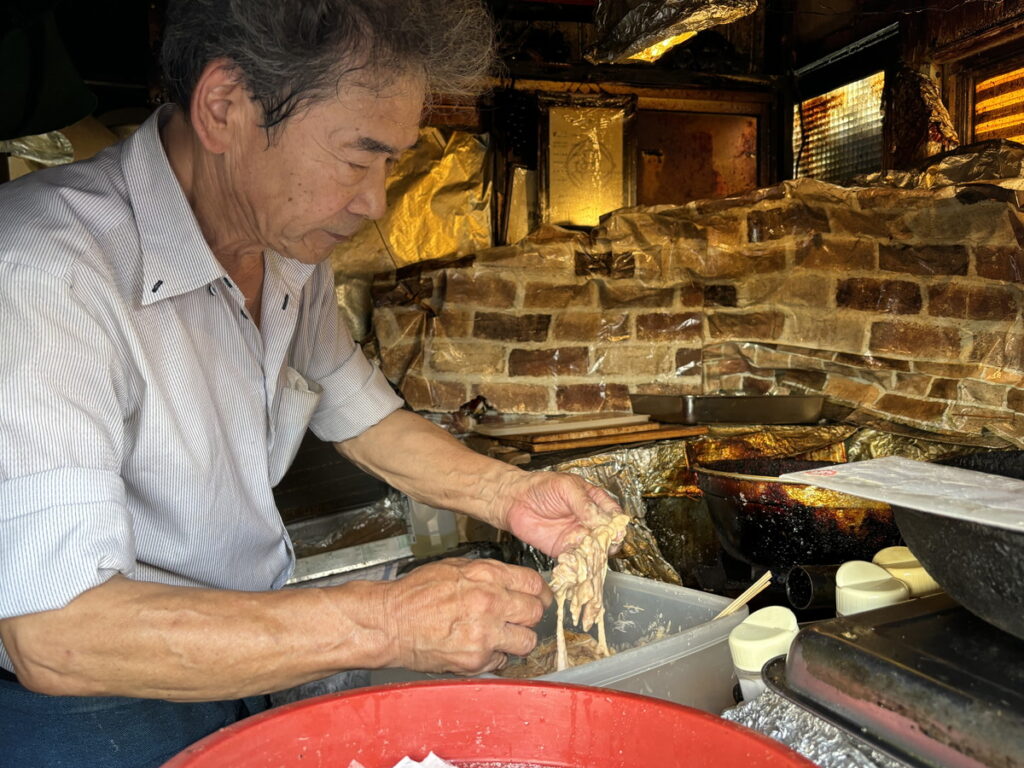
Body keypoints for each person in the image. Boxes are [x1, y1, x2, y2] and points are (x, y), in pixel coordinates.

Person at [0, 1, 624, 765]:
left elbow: (357, 409)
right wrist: (389, 623)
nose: (375, 202)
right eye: (357, 159)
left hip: (248, 656)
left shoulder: (288, 250)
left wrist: (508, 495)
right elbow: (55, 634)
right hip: (94, 701)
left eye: (390, 163)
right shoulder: (44, 273)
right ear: (225, 107)